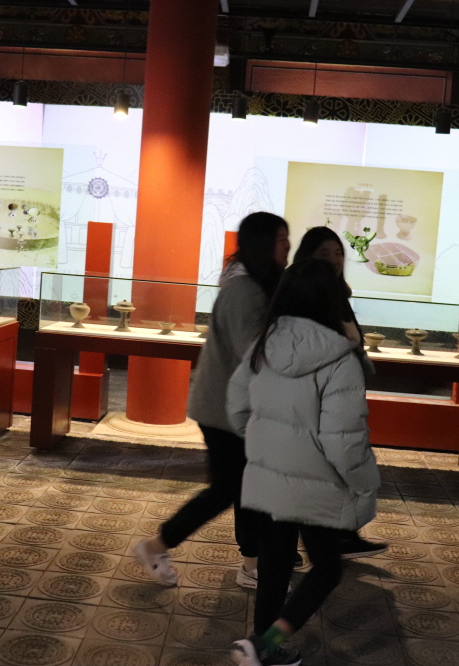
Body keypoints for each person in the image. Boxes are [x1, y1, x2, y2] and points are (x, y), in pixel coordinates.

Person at [227, 259, 381, 666]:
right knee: (327, 569)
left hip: (267, 477)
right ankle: (266, 643)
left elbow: (236, 407)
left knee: (274, 566)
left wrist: (265, 446)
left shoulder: (263, 345)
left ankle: (263, 646)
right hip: (317, 483)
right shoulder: (340, 359)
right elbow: (344, 442)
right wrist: (366, 481)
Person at [134, 212, 291, 588]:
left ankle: (251, 565)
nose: (288, 246)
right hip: (224, 410)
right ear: (262, 244)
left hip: (236, 407)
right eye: (281, 239)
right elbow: (256, 353)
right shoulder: (245, 291)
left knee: (246, 487)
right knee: (228, 488)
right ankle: (156, 546)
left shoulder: (257, 284)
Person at [292, 226, 387, 560]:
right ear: (308, 257)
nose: (334, 260)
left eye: (338, 253)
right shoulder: (308, 294)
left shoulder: (336, 291)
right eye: (324, 254)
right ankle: (321, 547)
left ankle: (339, 538)